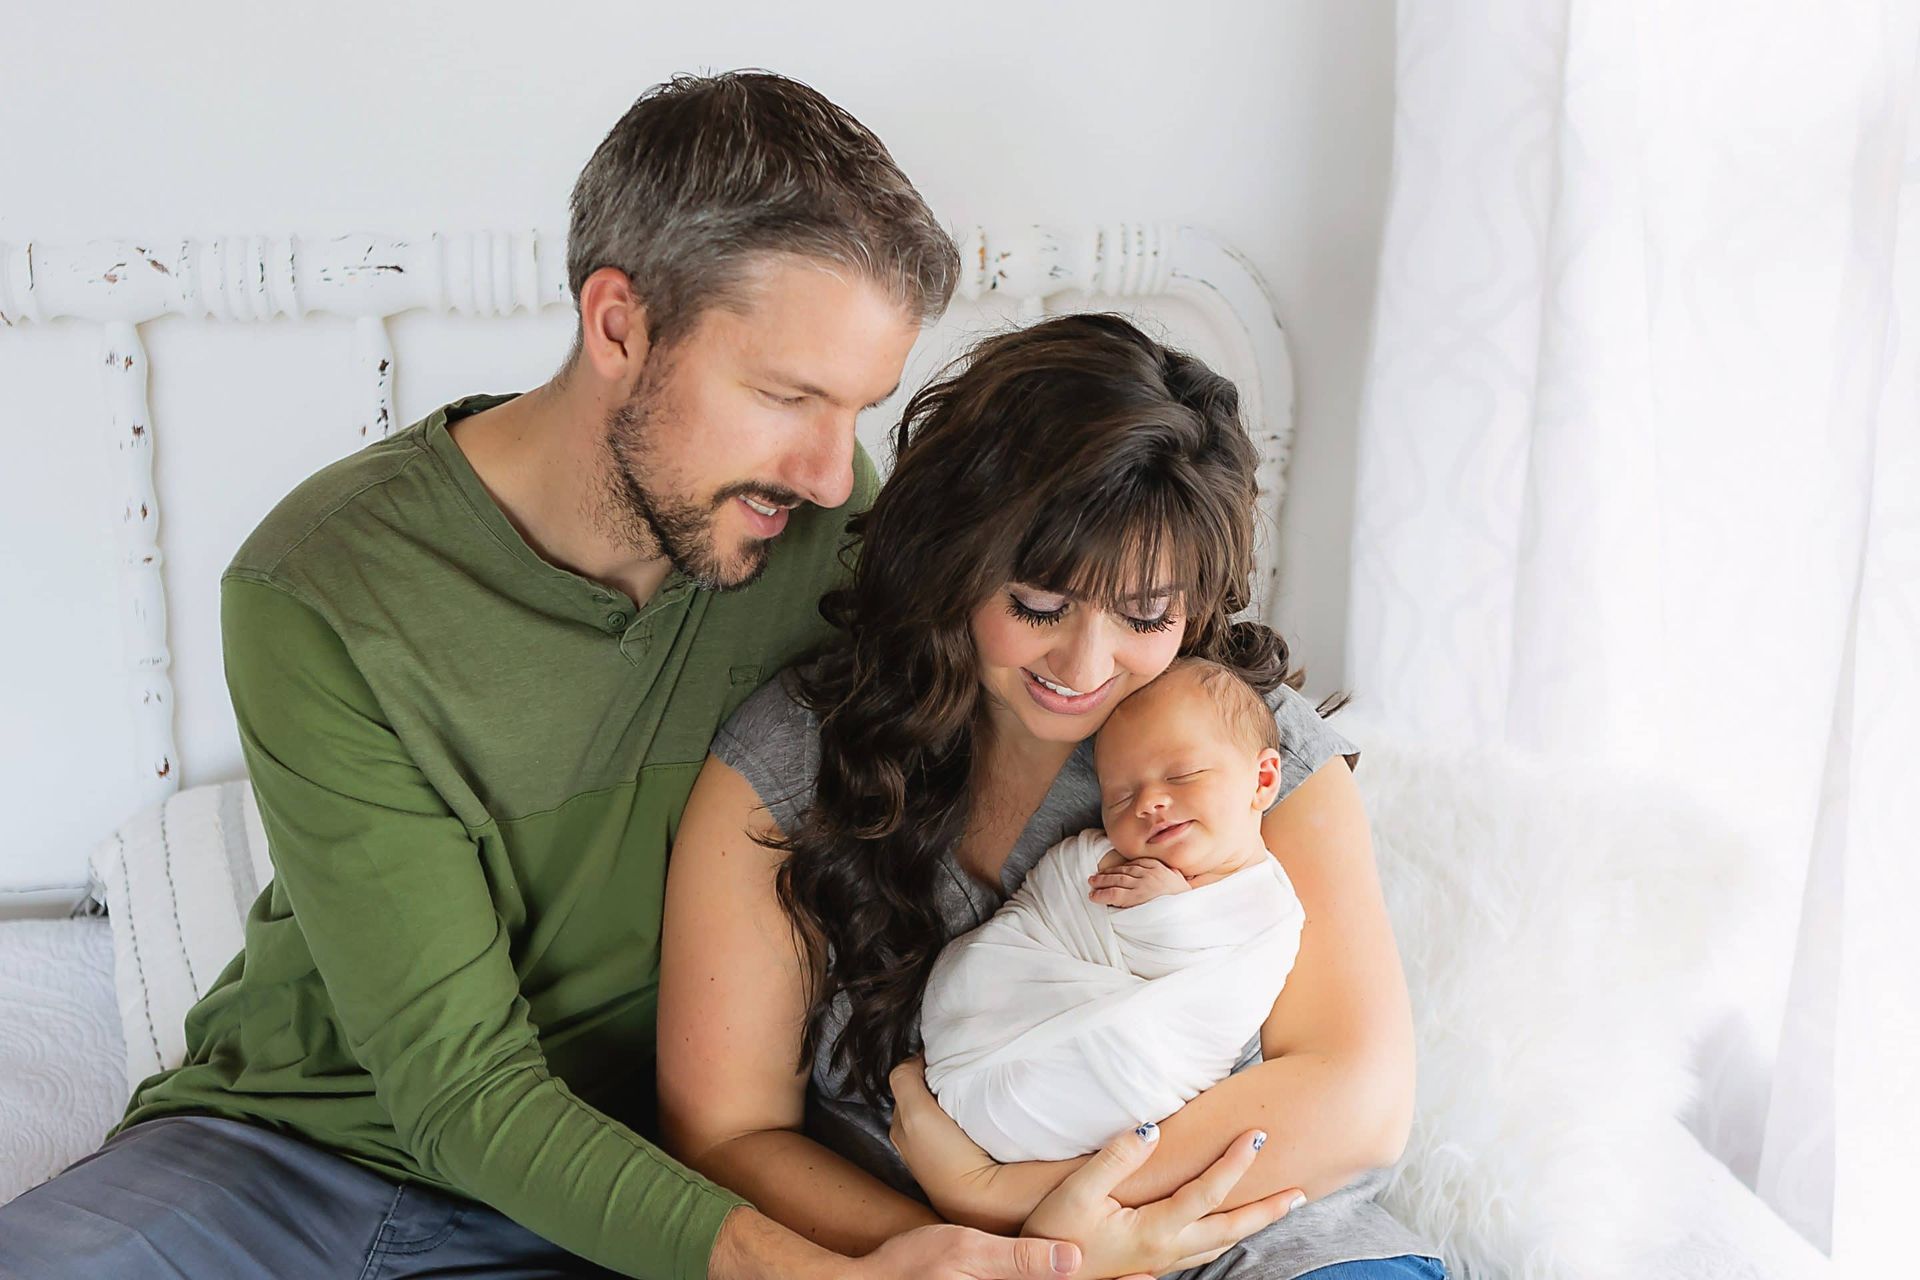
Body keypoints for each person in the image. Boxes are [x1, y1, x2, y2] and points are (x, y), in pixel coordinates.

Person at [0, 73, 1279, 1280]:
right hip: (279, 1149)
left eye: (858, 409)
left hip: (645, 1187)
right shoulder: (324, 587)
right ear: (620, 323)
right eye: (787, 395)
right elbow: (461, 1089)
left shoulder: (826, 529)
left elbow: (1101, 645)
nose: (837, 475)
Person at [658, 313, 1449, 1278]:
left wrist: (1062, 1228)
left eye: (1146, 615)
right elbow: (727, 1134)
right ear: (953, 555)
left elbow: (1359, 1101)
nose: (1086, 665)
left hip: (1260, 1244)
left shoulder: (1246, 745)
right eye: (1038, 605)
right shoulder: (790, 757)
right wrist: (1002, 1259)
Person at [917, 657, 1308, 1168]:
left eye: (1183, 775)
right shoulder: (1100, 864)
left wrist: (1169, 911)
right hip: (988, 1055)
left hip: (1126, 1095)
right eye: (1119, 797)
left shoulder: (1273, 912)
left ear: (1262, 779)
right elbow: (1063, 887)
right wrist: (1154, 902)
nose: (1149, 802)